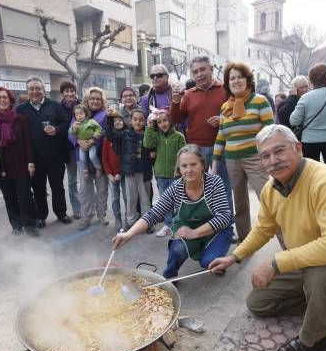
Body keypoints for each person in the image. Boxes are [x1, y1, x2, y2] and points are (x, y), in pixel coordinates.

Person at [209, 125, 326, 351]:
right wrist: (234, 256)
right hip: (309, 261)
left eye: (279, 151)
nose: (273, 161)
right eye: (265, 156)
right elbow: (263, 229)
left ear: (298, 148)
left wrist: (276, 263)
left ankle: (317, 339)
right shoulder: (271, 189)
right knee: (259, 303)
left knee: (322, 278)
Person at [114, 144, 233, 279]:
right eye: (184, 166)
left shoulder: (214, 183)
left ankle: (213, 256)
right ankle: (169, 276)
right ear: (179, 169)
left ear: (202, 165)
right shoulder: (176, 188)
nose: (189, 170)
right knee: (177, 249)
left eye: (194, 164)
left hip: (216, 231)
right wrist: (129, 234)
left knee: (209, 263)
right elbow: (154, 213)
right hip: (188, 229)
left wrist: (194, 233)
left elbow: (224, 217)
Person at [211, 61, 274, 242]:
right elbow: (221, 136)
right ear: (227, 83)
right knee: (240, 203)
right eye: (232, 78)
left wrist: (269, 158)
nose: (236, 81)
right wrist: (214, 165)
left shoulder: (260, 101)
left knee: (269, 200)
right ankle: (245, 240)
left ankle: (289, 243)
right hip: (232, 160)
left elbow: (271, 132)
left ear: (248, 80)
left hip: (255, 158)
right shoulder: (225, 107)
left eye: (240, 77)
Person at [170, 56, 234, 213]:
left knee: (224, 187)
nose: (199, 74)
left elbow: (238, 116)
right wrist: (176, 102)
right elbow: (176, 119)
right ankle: (204, 223)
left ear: (211, 69)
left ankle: (226, 226)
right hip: (196, 150)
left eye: (203, 69)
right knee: (198, 188)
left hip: (223, 147)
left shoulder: (226, 89)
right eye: (195, 71)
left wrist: (223, 119)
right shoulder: (188, 94)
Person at [0, 87, 37, 236]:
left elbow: (27, 142)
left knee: (25, 196)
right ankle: (16, 225)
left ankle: (30, 224)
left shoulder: (20, 119)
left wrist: (31, 162)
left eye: (5, 97)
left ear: (10, 100)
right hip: (1, 166)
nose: (2, 100)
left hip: (21, 164)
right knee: (9, 197)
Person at [16, 76, 72, 228]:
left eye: (38, 88)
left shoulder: (54, 105)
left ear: (43, 90)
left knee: (58, 187)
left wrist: (57, 129)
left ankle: (61, 213)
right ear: (27, 91)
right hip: (34, 158)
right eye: (31, 89)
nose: (35, 91)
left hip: (55, 156)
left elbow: (67, 123)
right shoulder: (20, 110)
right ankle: (41, 216)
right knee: (38, 189)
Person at [68, 87, 110, 230]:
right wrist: (78, 141)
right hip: (82, 158)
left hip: (99, 157)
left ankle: (102, 214)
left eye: (98, 98)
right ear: (87, 99)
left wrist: (93, 140)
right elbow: (71, 132)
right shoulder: (79, 113)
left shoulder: (105, 114)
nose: (95, 101)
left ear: (102, 100)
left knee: (102, 188)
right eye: (92, 98)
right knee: (85, 190)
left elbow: (106, 133)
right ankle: (86, 216)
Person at [290, 63, 326, 172]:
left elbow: (294, 121)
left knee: (311, 172)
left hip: (310, 140)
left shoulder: (306, 98)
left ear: (311, 80)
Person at [107, 108, 154, 231]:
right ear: (130, 120)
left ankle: (147, 222)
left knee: (145, 199)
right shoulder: (125, 134)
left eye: (141, 120)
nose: (138, 122)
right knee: (131, 198)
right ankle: (130, 220)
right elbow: (110, 136)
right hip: (130, 172)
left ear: (145, 121)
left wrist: (153, 153)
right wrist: (109, 119)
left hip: (145, 172)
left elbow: (154, 148)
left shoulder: (148, 133)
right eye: (135, 119)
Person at [144, 109, 186, 237]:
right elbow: (147, 143)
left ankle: (178, 224)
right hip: (161, 174)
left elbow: (183, 154)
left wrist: (179, 169)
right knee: (165, 201)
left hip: (176, 175)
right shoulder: (156, 135)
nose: (163, 124)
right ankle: (168, 224)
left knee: (179, 200)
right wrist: (150, 127)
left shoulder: (179, 136)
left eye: (165, 121)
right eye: (159, 122)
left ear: (171, 121)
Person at [59, 80, 81, 220]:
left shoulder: (81, 105)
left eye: (71, 90)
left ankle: (90, 207)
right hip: (68, 149)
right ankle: (77, 209)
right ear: (62, 93)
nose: (69, 93)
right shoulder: (57, 107)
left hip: (83, 147)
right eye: (66, 91)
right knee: (72, 180)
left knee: (87, 179)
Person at [102, 112, 127, 231]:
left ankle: (128, 219)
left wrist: (120, 173)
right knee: (115, 198)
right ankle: (118, 219)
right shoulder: (107, 139)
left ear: (124, 123)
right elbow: (104, 158)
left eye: (120, 120)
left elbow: (126, 157)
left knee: (127, 197)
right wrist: (109, 174)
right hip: (112, 175)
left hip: (123, 173)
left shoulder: (126, 137)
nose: (117, 122)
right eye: (114, 121)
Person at [70, 104, 103, 178]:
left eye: (81, 113)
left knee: (92, 156)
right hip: (82, 144)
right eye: (77, 114)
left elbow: (99, 129)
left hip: (91, 142)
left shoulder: (91, 121)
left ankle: (98, 168)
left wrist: (94, 137)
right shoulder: (75, 124)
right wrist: (74, 129)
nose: (79, 116)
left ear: (86, 113)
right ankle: (85, 170)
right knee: (82, 158)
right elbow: (72, 134)